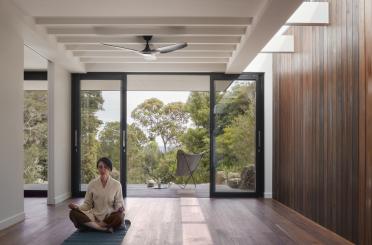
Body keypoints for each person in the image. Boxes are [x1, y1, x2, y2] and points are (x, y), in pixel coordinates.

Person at [69, 157, 125, 232]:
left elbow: (118, 202)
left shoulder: (117, 184)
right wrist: (77, 208)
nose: (103, 170)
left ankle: (92, 226)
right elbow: (87, 204)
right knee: (73, 213)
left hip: (108, 216)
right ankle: (102, 228)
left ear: (110, 169)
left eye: (105, 167)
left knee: (120, 217)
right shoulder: (92, 184)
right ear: (97, 168)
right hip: (94, 216)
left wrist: (119, 208)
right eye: (100, 167)